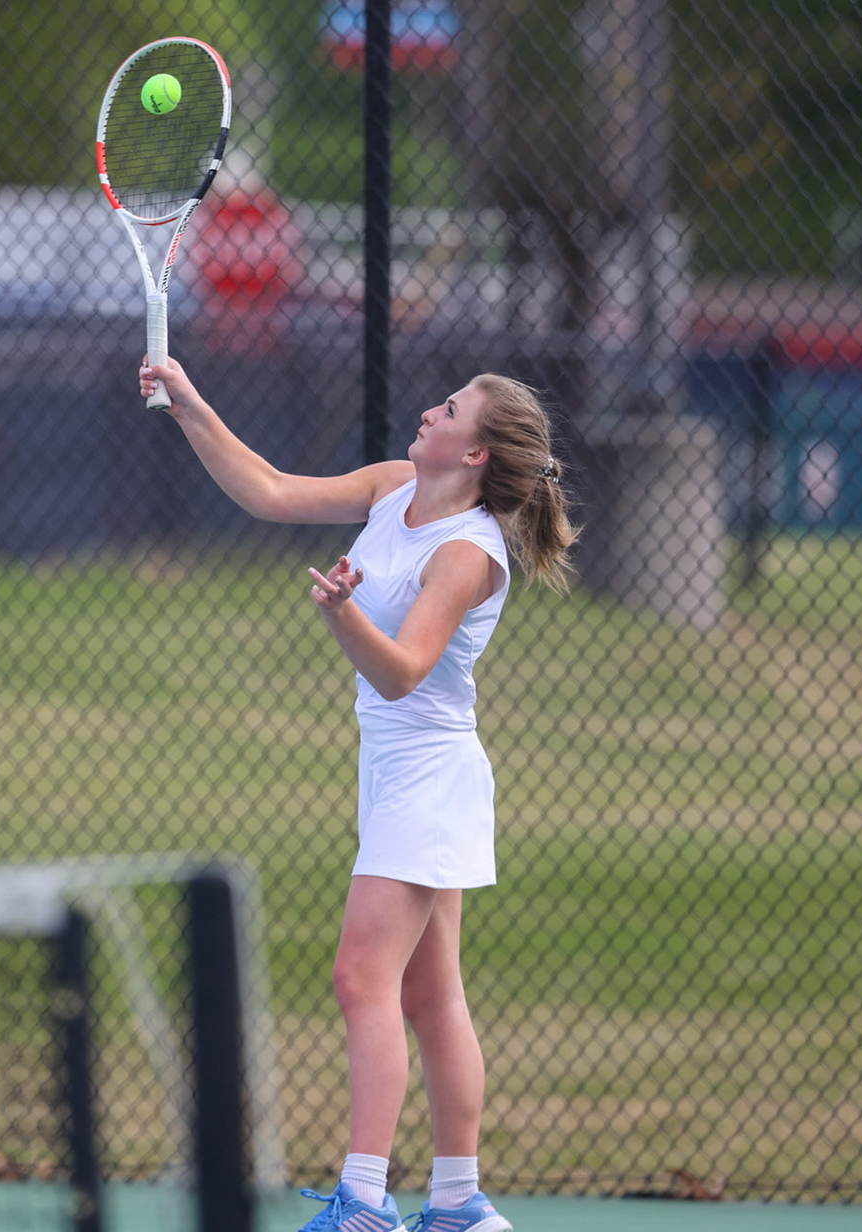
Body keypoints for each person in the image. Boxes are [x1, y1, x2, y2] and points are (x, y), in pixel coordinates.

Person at [139, 355, 578, 1232]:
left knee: (360, 979)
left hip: (429, 778)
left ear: (478, 453)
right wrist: (189, 405)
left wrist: (341, 613)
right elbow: (268, 490)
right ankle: (457, 1202)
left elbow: (406, 674)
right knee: (428, 995)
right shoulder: (392, 491)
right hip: (397, 778)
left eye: (450, 409)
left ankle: (365, 1204)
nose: (429, 410)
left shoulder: (464, 554)